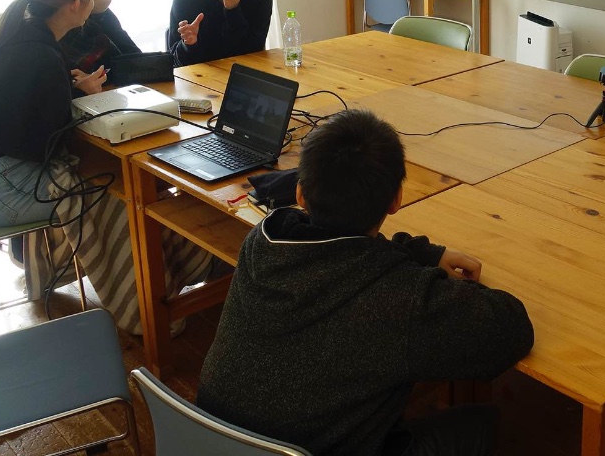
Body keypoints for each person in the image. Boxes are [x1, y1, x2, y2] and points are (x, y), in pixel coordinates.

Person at [197, 109, 534, 456]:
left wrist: (424, 253)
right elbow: (511, 329)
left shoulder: (262, 242)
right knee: (483, 422)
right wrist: (432, 281)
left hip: (206, 439)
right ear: (396, 200)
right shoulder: (400, 298)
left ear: (299, 194)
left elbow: (347, 256)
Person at [0, 0, 214, 334]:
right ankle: (151, 312)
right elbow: (36, 142)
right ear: (74, 4)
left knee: (116, 176)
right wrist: (75, 102)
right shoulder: (37, 53)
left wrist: (72, 96)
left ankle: (174, 278)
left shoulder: (18, 31)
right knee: (117, 193)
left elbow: (20, 122)